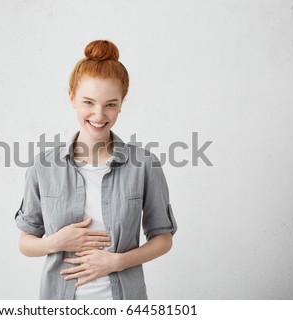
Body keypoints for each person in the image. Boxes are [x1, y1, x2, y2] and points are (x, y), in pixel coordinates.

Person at [14, 39, 177, 300]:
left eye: (110, 104)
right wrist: (57, 242)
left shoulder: (145, 164)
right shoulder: (43, 167)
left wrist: (117, 262)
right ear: (72, 98)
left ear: (121, 103)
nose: (99, 115)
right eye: (88, 102)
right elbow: (25, 242)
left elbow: (163, 239)